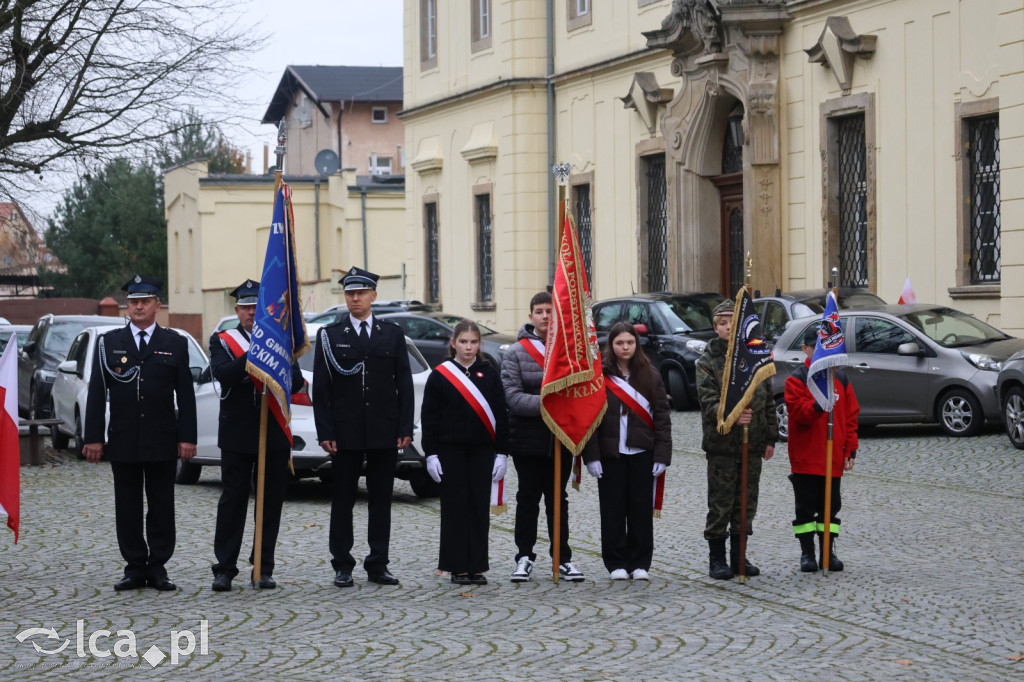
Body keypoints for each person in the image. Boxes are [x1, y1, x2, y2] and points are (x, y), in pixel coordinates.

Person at [83, 275, 197, 591]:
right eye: (134, 301)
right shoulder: (109, 343)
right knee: (128, 505)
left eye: (145, 301)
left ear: (157, 306)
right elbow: (96, 391)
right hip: (123, 438)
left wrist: (188, 437)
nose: (139, 306)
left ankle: (158, 567)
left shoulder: (175, 343)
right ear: (127, 306)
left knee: (161, 505)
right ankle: (134, 566)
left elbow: (185, 395)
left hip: (162, 437)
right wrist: (93, 437)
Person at [312, 266, 414, 587]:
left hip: (384, 429)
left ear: (373, 295)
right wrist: (325, 431)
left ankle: (378, 563)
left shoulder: (392, 334)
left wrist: (405, 427)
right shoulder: (329, 335)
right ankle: (342, 564)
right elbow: (322, 388)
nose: (354, 299)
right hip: (345, 432)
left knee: (381, 499)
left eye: (360, 293)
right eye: (349, 293)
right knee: (343, 498)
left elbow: (405, 385)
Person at [208, 279, 304, 591]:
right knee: (233, 501)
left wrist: (275, 355)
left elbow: (298, 381)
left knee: (270, 502)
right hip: (237, 433)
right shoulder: (222, 340)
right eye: (246, 308)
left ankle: (263, 566)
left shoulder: (281, 339)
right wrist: (255, 354)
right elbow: (224, 375)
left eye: (255, 307)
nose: (251, 313)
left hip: (273, 430)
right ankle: (225, 568)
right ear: (237, 310)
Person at [501, 290, 585, 583]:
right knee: (527, 498)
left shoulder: (570, 350)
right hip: (527, 439)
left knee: (557, 500)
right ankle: (524, 556)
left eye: (550, 311)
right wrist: (550, 405)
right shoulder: (516, 353)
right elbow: (513, 397)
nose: (546, 316)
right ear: (531, 316)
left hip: (561, 439)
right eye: (540, 311)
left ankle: (563, 558)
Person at [421, 319, 509, 585]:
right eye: (463, 342)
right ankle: (456, 565)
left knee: (478, 508)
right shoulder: (440, 375)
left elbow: (501, 415)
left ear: (479, 344)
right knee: (455, 509)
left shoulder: (489, 372)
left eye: (473, 342)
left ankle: (477, 565)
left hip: (482, 451)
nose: (468, 347)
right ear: (453, 343)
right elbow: (429, 417)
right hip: (451, 451)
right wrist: (431, 453)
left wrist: (502, 453)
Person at [695, 298, 778, 580]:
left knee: (746, 503)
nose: (728, 326)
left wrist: (770, 437)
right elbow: (708, 402)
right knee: (721, 503)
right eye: (722, 323)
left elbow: (767, 398)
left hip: (752, 444)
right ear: (715, 327)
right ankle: (717, 558)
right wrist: (731, 415)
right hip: (723, 446)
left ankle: (739, 556)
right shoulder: (707, 361)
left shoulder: (756, 357)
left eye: (732, 321)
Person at [582, 322, 672, 580]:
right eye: (620, 343)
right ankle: (616, 562)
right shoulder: (599, 375)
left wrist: (662, 456)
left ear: (636, 344)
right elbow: (590, 418)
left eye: (630, 343)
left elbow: (663, 418)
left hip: (641, 453)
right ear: (611, 345)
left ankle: (641, 561)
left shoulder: (651, 374)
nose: (625, 347)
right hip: (611, 455)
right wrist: (592, 456)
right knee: (612, 510)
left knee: (640, 510)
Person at [784, 324, 860, 572]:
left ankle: (828, 551)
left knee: (831, 507)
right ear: (805, 349)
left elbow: (850, 417)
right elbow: (799, 413)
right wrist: (820, 404)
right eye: (815, 347)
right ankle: (807, 554)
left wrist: (850, 449)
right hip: (806, 457)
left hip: (833, 457)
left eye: (824, 346)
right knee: (805, 509)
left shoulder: (840, 378)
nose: (820, 351)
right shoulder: (796, 379)